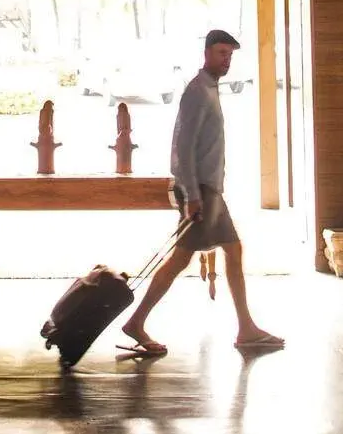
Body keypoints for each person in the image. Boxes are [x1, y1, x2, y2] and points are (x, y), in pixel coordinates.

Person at [119, 29, 283, 356]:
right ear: (207, 53)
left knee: (230, 250)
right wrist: (192, 195)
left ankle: (246, 328)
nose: (227, 60)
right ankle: (136, 322)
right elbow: (183, 148)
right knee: (182, 258)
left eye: (230, 55)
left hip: (209, 191)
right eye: (222, 53)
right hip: (201, 193)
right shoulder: (197, 92)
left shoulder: (209, 89)